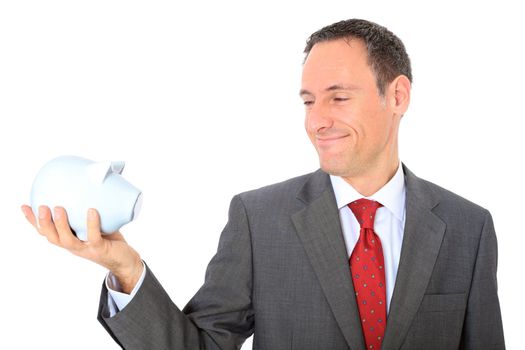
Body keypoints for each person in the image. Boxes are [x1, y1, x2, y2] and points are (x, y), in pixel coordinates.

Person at [21, 18, 505, 350]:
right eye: (308, 101)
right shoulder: (259, 220)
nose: (318, 121)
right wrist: (126, 269)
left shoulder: (468, 228)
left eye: (338, 97)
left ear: (397, 95)